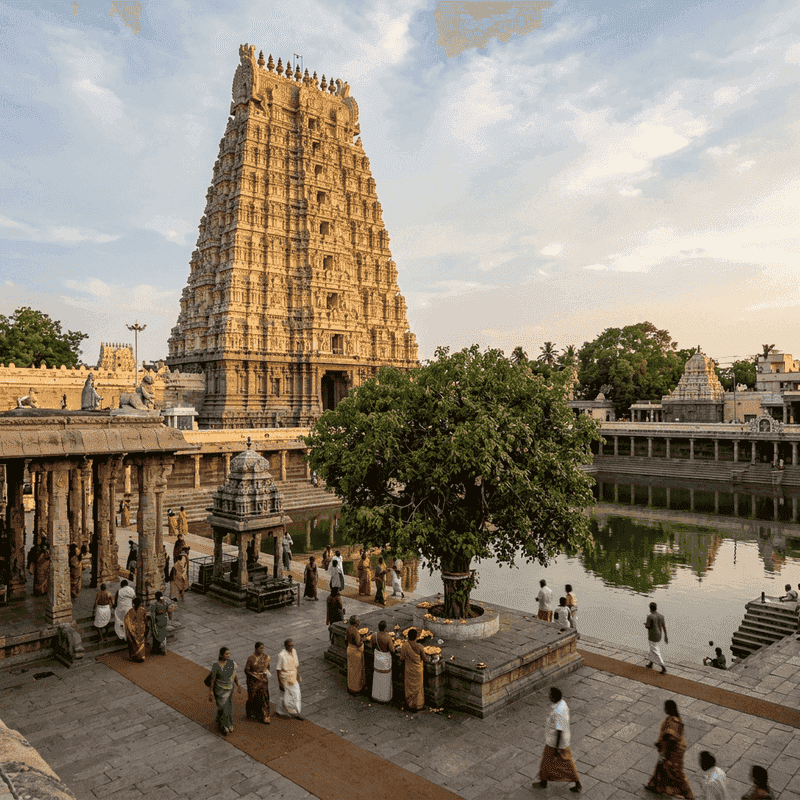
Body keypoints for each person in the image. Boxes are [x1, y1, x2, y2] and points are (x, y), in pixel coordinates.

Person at [644, 699, 694, 798]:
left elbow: (672, 740)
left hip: (672, 752)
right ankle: (655, 786)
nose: (664, 709)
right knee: (660, 768)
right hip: (667, 749)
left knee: (675, 772)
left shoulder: (673, 721)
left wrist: (665, 753)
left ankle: (687, 794)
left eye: (665, 707)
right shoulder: (671, 719)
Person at [536, 687, 582, 793]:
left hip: (556, 742)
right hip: (555, 741)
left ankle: (577, 783)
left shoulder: (559, 711)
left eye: (550, 695)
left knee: (565, 763)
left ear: (554, 697)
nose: (548, 696)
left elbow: (559, 730)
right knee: (548, 762)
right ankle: (543, 781)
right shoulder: (561, 704)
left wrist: (556, 748)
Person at [208, 646, 243, 736]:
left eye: (229, 654)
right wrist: (211, 692)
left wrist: (238, 685)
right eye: (226, 654)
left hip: (230, 688)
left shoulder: (232, 664)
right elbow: (213, 679)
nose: (228, 655)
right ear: (221, 655)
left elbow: (234, 676)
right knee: (222, 707)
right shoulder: (216, 666)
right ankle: (223, 726)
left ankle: (228, 723)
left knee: (228, 707)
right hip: (219, 689)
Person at [399, 627, 428, 711]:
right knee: (418, 688)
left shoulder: (405, 645)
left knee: (409, 687)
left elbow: (401, 658)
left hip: (409, 670)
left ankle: (410, 704)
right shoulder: (419, 647)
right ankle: (418, 705)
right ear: (416, 637)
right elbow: (425, 658)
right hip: (418, 670)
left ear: (408, 636)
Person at [275, 639, 303, 720]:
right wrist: (280, 682)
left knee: (297, 695)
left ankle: (295, 711)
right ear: (286, 646)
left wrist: (298, 675)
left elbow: (296, 664)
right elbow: (278, 669)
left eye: (292, 645)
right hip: (285, 678)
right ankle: (292, 711)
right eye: (290, 645)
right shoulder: (281, 655)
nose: (291, 647)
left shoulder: (294, 651)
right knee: (285, 696)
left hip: (293, 677)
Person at [244, 641, 271, 724]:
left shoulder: (266, 657)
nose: (262, 650)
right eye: (260, 648)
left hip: (263, 681)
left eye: (262, 648)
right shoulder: (251, 658)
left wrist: (264, 674)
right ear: (256, 649)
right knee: (253, 697)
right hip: (254, 682)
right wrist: (254, 675)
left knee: (264, 697)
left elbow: (268, 668)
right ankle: (251, 711)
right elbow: (246, 670)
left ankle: (265, 715)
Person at [372, 620, 394, 703]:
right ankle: (385, 697)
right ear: (385, 628)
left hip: (378, 659)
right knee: (385, 678)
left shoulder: (374, 636)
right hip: (385, 660)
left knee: (378, 676)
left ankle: (376, 695)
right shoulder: (387, 637)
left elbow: (371, 646)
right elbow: (392, 650)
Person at [645, 601, 669, 674]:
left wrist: (645, 624)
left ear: (650, 608)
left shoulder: (650, 616)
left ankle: (663, 667)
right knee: (652, 648)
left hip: (652, 635)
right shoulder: (661, 616)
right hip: (659, 635)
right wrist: (666, 636)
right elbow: (664, 626)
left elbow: (648, 626)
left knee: (655, 651)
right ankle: (651, 663)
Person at [346, 615, 367, 694]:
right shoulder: (354, 631)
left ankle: (350, 686)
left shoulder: (348, 629)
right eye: (358, 621)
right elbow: (358, 644)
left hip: (350, 649)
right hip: (355, 652)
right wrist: (363, 640)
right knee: (356, 671)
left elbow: (346, 640)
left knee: (351, 670)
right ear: (356, 622)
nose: (359, 622)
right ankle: (355, 689)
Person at [123, 597, 147, 662]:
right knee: (141, 643)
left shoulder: (130, 611)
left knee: (132, 642)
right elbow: (145, 620)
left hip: (132, 629)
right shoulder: (143, 610)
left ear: (133, 603)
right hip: (141, 628)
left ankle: (133, 656)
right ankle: (141, 656)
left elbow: (126, 621)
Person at [149, 591, 172, 655]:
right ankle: (163, 649)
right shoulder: (165, 603)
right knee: (163, 635)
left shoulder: (154, 605)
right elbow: (170, 611)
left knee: (156, 634)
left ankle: (157, 649)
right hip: (164, 620)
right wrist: (169, 619)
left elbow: (152, 615)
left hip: (157, 622)